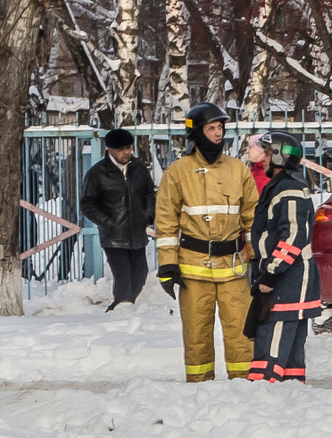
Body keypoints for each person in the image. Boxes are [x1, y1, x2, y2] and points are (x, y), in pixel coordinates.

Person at [155, 104, 260, 382]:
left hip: (234, 268)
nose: (217, 133)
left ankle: (245, 386)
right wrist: (167, 265)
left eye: (220, 127)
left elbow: (251, 217)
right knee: (196, 333)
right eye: (211, 128)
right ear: (197, 134)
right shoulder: (177, 173)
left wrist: (257, 256)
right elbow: (165, 223)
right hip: (192, 268)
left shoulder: (239, 170)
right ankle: (200, 389)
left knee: (241, 333)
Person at [245, 132, 323, 382]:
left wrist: (271, 273)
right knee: (290, 355)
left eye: (268, 153)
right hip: (289, 279)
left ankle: (264, 395)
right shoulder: (283, 185)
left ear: (279, 155)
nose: (264, 158)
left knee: (272, 345)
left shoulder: (289, 188)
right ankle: (291, 396)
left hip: (287, 281)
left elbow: (293, 236)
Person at [79, 128, 158, 310]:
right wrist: (108, 223)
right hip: (113, 236)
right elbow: (88, 204)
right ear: (110, 149)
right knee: (123, 277)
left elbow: (149, 193)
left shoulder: (139, 168)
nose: (127, 152)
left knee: (140, 273)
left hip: (137, 233)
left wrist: (148, 214)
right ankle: (121, 309)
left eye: (129, 148)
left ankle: (122, 307)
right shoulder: (97, 173)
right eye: (122, 149)